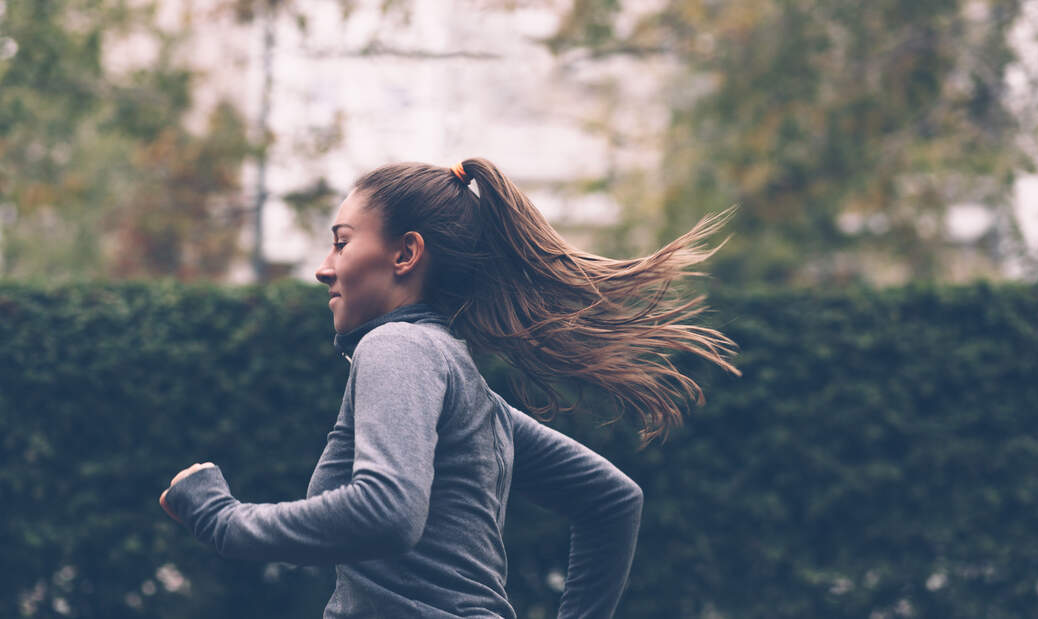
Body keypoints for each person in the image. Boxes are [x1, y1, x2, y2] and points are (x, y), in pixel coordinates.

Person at [159, 158, 741, 618]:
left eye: (340, 242)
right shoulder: (467, 390)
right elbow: (612, 501)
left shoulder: (397, 347)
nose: (324, 268)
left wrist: (224, 520)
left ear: (406, 254)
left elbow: (388, 512)